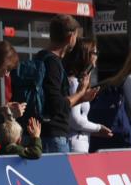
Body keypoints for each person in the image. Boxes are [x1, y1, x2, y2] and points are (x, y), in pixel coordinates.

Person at [15, 15, 98, 154]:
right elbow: (57, 105)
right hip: (52, 137)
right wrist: (80, 93)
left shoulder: (39, 57)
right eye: (76, 37)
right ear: (70, 37)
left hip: (34, 133)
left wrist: (81, 98)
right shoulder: (53, 63)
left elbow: (49, 101)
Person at [63, 39, 112, 153]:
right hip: (74, 143)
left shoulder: (79, 82)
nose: (97, 56)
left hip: (80, 142)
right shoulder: (74, 83)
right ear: (85, 55)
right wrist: (98, 128)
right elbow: (75, 120)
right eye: (95, 52)